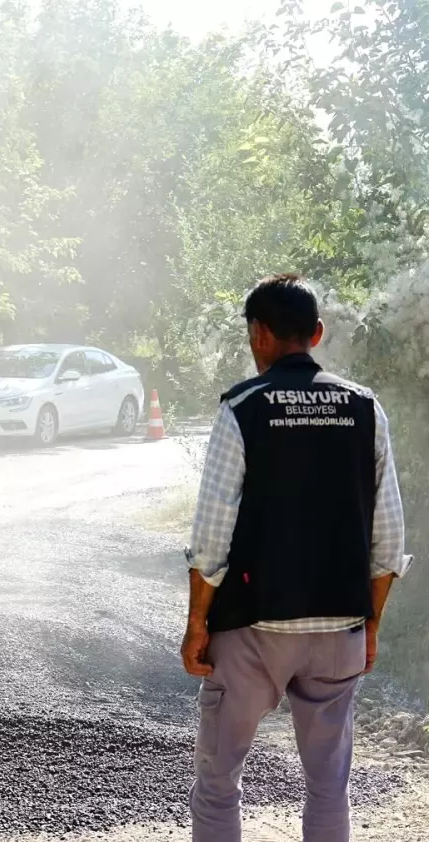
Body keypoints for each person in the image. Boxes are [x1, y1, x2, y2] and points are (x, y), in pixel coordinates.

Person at [181, 273, 412, 842]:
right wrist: (371, 625)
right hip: (340, 629)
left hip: (252, 628)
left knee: (218, 782)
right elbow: (387, 541)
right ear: (317, 332)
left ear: (259, 334)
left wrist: (196, 624)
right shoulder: (365, 409)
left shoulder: (243, 408)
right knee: (329, 786)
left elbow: (212, 538)